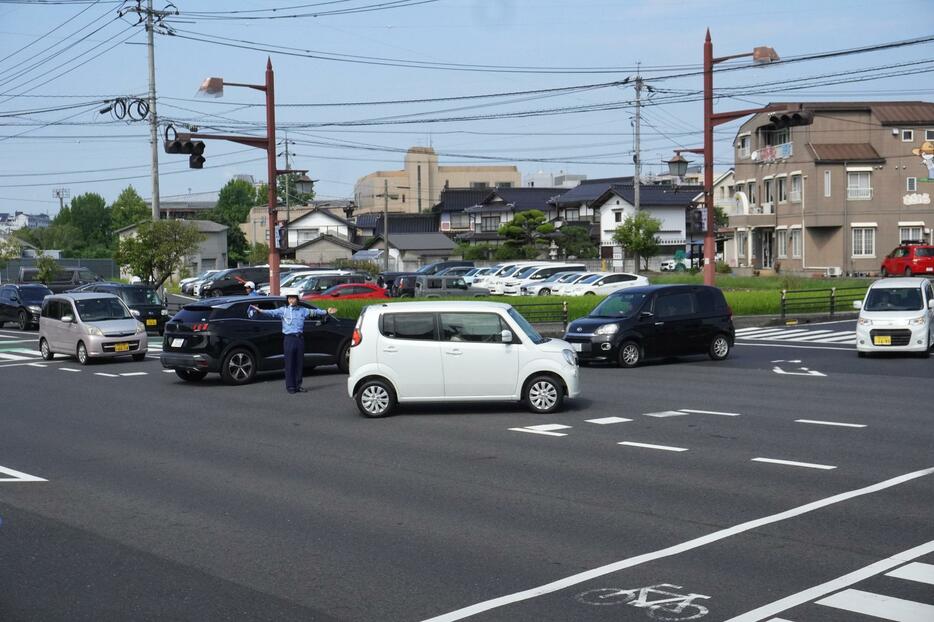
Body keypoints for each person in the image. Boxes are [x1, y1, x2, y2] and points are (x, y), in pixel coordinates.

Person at [249, 292, 338, 394]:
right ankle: (290, 386)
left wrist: (326, 311)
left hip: (299, 338)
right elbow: (272, 312)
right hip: (289, 339)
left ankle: (298, 385)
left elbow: (315, 312)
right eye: (289, 298)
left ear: (297, 299)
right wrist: (260, 310)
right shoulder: (284, 310)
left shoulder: (302, 310)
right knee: (290, 363)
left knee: (299, 363)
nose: (291, 300)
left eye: (293, 298)